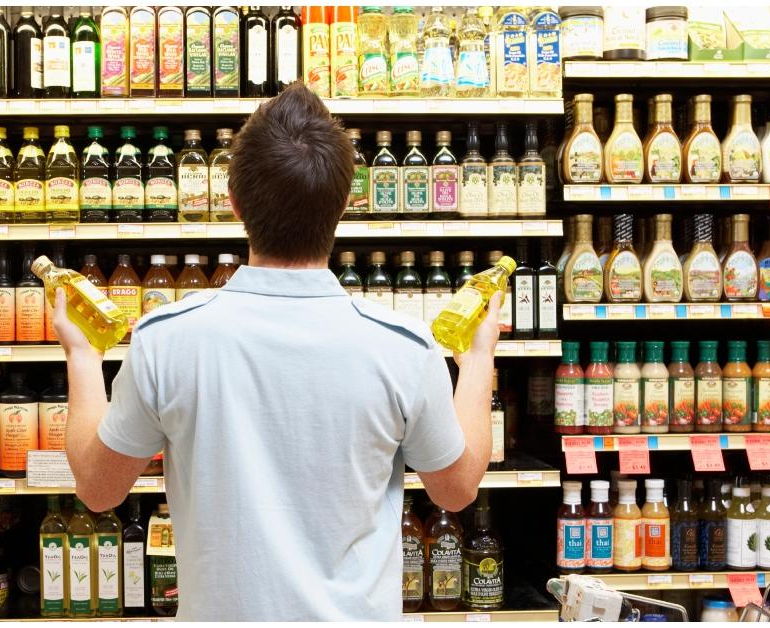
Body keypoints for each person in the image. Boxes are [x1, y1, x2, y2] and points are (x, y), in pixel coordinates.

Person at [52, 82, 499, 621]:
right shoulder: (402, 347)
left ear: (235, 202)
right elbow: (456, 490)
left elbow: (98, 490)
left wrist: (81, 356)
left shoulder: (167, 340)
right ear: (344, 203)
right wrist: (476, 361)